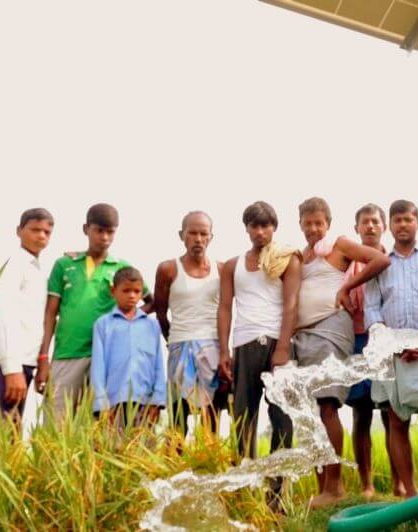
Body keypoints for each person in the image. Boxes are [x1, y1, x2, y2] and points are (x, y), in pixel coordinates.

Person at [293, 197, 390, 508]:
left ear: (328, 224)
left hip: (331, 328)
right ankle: (322, 486)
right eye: (307, 223)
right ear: (300, 225)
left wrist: (347, 287)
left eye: (318, 223)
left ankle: (335, 487)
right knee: (310, 412)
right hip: (304, 334)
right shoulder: (303, 255)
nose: (313, 228)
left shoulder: (338, 245)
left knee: (327, 405)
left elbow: (379, 259)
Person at [364, 199, 418, 497]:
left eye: (408, 219)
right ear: (390, 226)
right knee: (396, 420)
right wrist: (393, 344)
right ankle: (411, 494)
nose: (402, 225)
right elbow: (372, 311)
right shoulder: (380, 265)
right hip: (391, 353)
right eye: (397, 220)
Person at [217, 201, 299, 510]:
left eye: (266, 225)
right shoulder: (232, 265)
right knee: (243, 418)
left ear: (274, 228)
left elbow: (291, 304)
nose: (261, 231)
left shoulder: (287, 260)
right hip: (244, 344)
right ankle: (241, 492)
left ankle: (276, 499)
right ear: (247, 228)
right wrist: (224, 349)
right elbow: (225, 307)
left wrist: (282, 348)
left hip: (277, 343)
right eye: (255, 225)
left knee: (282, 419)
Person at [36, 203, 150, 416]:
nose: (104, 237)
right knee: (57, 424)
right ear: (86, 229)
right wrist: (43, 358)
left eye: (110, 232)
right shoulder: (64, 264)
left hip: (107, 357)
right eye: (99, 230)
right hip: (67, 352)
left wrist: (125, 323)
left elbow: (150, 300)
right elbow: (50, 313)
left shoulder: (122, 268)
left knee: (103, 426)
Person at [345, 203, 405, 498]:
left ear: (384, 226)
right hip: (356, 339)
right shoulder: (348, 262)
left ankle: (400, 482)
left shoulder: (394, 260)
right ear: (356, 228)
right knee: (361, 413)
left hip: (387, 341)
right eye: (364, 222)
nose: (370, 226)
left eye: (374, 221)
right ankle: (366, 484)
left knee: (391, 412)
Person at [0, 208, 54, 426]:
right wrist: (12, 370)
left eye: (47, 232)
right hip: (5, 362)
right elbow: (3, 316)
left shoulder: (38, 270)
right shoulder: (13, 265)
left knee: (11, 434)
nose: (41, 236)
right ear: (19, 231)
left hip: (27, 362)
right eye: (35, 230)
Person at [154, 211, 225, 436]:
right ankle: (175, 467)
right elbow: (160, 312)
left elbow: (227, 311)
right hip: (180, 345)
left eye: (203, 233)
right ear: (181, 235)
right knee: (178, 415)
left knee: (210, 415)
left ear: (211, 237)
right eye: (192, 233)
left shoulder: (221, 270)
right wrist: (173, 339)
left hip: (212, 348)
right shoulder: (168, 269)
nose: (198, 238)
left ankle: (209, 466)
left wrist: (224, 350)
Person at [90, 267, 166, 429]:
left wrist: (157, 400)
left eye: (136, 291)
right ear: (113, 291)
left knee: (142, 450)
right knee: (112, 449)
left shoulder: (151, 325)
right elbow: (98, 367)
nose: (132, 296)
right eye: (126, 291)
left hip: (144, 403)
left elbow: (159, 365)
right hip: (112, 402)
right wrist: (101, 402)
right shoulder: (103, 325)